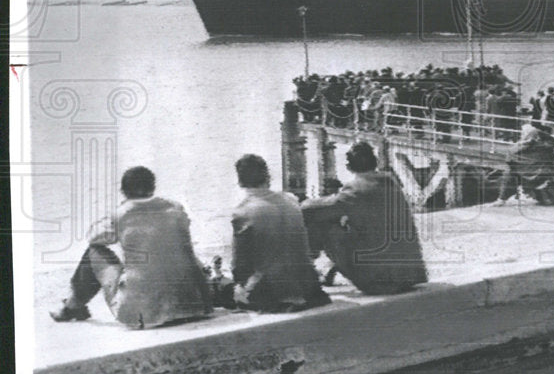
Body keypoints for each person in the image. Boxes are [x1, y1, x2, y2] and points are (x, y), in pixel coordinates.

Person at [50, 166, 213, 328]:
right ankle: (73, 305)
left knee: (94, 252)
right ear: (153, 187)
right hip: (196, 305)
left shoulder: (122, 214)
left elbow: (93, 238)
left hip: (144, 313)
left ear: (123, 191)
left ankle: (73, 306)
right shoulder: (176, 208)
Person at [301, 142, 428, 295]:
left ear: (348, 166)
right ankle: (326, 269)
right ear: (375, 161)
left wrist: (297, 203)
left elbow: (312, 209)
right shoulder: (390, 182)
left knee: (322, 224)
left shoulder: (356, 189)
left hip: (380, 281)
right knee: (349, 224)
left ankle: (307, 272)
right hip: (409, 275)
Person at [230, 155, 330, 312]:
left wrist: (240, 287)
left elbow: (239, 266)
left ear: (240, 180)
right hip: (311, 288)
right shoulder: (291, 199)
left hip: (275, 294)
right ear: (267, 176)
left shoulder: (242, 212)